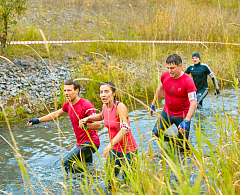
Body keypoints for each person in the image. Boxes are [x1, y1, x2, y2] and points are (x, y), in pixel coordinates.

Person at [27, 79, 102, 173]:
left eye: (69, 90)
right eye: (65, 90)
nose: (66, 93)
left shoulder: (86, 105)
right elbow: (56, 114)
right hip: (80, 143)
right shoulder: (68, 104)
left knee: (67, 162)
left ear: (77, 90)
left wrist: (85, 125)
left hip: (91, 143)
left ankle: (73, 185)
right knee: (87, 168)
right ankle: (89, 182)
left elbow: (99, 125)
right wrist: (38, 120)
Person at [80, 82, 138, 182]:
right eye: (101, 92)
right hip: (114, 150)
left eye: (106, 92)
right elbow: (101, 117)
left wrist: (109, 145)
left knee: (128, 183)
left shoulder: (120, 107)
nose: (103, 94)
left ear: (114, 93)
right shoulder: (104, 106)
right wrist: (87, 118)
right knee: (110, 181)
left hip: (129, 151)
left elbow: (125, 129)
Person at [150, 54, 198, 152]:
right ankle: (173, 141)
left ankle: (182, 144)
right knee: (155, 133)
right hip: (167, 113)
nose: (170, 71)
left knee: (182, 148)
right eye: (168, 68)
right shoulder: (165, 76)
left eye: (172, 68)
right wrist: (153, 104)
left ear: (180, 66)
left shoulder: (188, 80)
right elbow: (160, 89)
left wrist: (187, 120)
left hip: (182, 116)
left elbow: (194, 103)